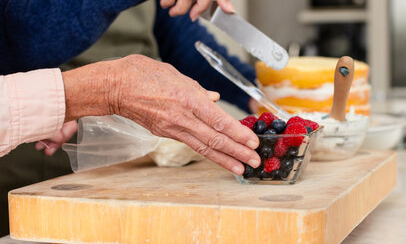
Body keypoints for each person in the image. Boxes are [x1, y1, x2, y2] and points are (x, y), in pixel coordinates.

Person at [0, 0, 259, 235]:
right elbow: (12, 38)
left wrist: (258, 94)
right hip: (36, 182)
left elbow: (184, 46)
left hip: (140, 173)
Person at [1, 55, 260, 169]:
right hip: (32, 159)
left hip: (135, 159)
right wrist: (95, 91)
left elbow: (182, 43)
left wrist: (257, 94)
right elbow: (19, 40)